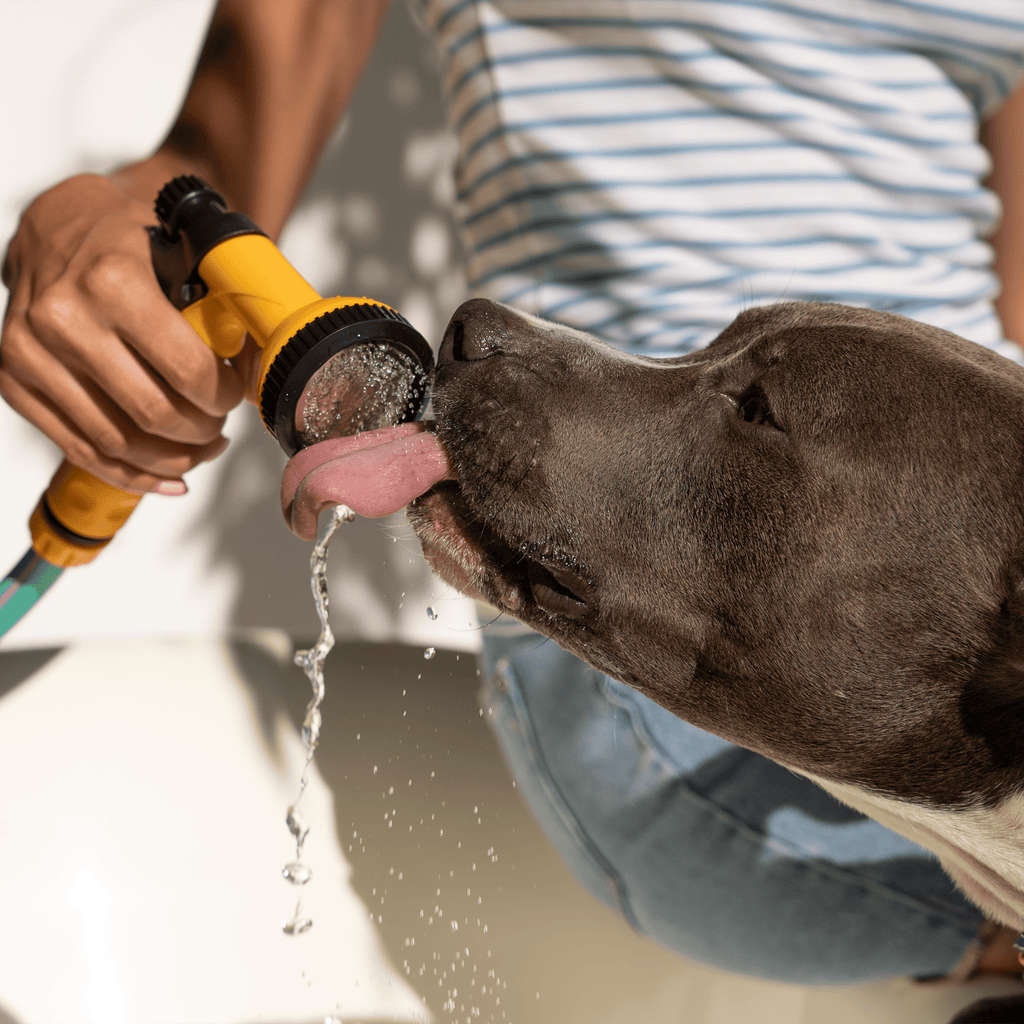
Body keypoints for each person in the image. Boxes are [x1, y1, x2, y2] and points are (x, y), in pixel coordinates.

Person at [4, 0, 1024, 986]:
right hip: (667, 664)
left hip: (925, 627)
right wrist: (124, 214)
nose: (477, 326)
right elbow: (209, 159)